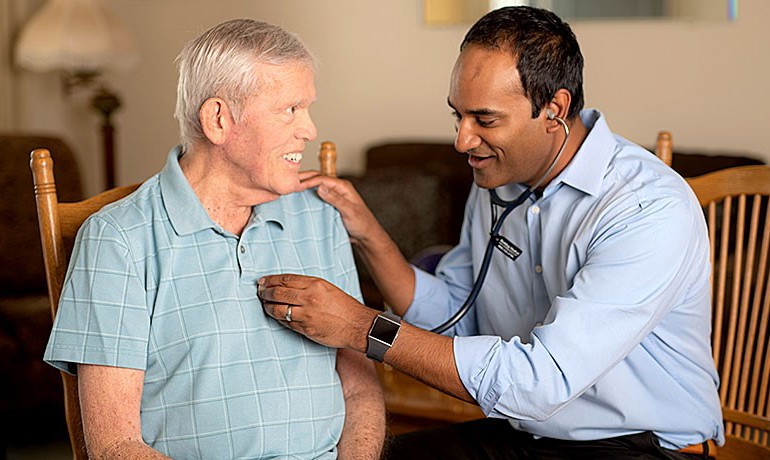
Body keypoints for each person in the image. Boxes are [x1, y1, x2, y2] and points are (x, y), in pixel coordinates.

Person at [258, 6, 724, 459]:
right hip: (531, 438)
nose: (462, 140)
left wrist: (360, 327)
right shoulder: (498, 182)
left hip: (646, 447)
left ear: (555, 108)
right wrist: (368, 233)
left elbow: (540, 383)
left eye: (484, 119)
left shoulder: (645, 207)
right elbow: (453, 316)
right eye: (456, 115)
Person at [44, 18, 385, 459]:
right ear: (218, 119)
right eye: (291, 109)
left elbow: (358, 388)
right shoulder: (117, 240)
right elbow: (116, 445)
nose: (310, 129)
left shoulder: (318, 216)